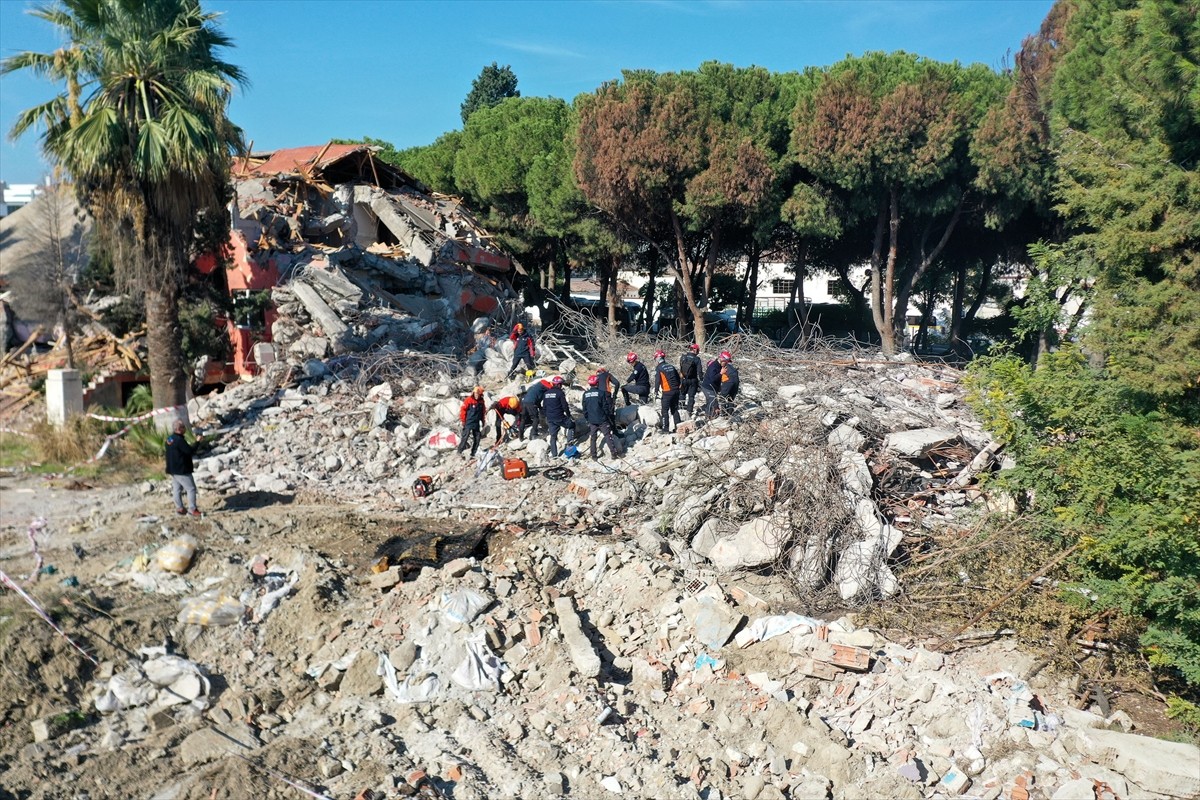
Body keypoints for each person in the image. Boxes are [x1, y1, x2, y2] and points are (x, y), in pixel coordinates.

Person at [165, 420, 202, 517]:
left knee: (177, 489)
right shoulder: (179, 440)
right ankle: (192, 510)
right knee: (191, 489)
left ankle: (180, 508)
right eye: (184, 427)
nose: (185, 429)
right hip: (182, 470)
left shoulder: (169, 439)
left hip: (173, 469)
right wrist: (197, 442)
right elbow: (190, 451)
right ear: (179, 429)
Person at [582, 374, 621, 460]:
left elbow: (584, 409)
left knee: (593, 438)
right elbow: (605, 407)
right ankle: (614, 454)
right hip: (602, 419)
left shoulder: (585, 394)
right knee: (607, 435)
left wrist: (588, 419)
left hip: (592, 420)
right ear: (597, 383)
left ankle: (594, 456)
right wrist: (608, 417)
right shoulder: (601, 393)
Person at [542, 376, 575, 458]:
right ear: (559, 385)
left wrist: (546, 416)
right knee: (572, 425)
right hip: (559, 417)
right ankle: (569, 444)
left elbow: (544, 406)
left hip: (550, 418)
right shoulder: (560, 393)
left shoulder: (546, 393)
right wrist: (569, 416)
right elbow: (565, 406)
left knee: (553, 436)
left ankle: (554, 455)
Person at [651, 349, 683, 433]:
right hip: (676, 390)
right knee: (674, 409)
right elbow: (678, 377)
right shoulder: (671, 366)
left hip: (667, 392)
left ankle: (665, 429)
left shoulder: (659, 368)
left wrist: (656, 391)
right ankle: (679, 427)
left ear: (658, 359)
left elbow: (657, 380)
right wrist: (679, 386)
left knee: (665, 411)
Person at [456, 386, 486, 457]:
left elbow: (483, 412)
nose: (476, 395)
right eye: (475, 394)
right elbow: (463, 410)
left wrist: (483, 420)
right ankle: (460, 451)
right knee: (465, 436)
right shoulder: (468, 400)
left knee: (477, 437)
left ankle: (473, 453)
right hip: (468, 422)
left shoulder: (482, 402)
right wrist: (463, 420)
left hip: (476, 422)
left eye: (478, 394)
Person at [700, 351, 728, 418]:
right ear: (722, 359)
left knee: (714, 402)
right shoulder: (713, 366)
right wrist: (721, 373)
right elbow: (713, 379)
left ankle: (713, 415)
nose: (726, 364)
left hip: (713, 387)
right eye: (726, 362)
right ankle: (708, 417)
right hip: (708, 387)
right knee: (711, 401)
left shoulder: (719, 365)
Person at [679, 343, 702, 414]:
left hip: (683, 379)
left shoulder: (683, 357)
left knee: (682, 394)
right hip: (693, 380)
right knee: (691, 396)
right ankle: (689, 411)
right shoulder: (697, 359)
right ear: (695, 350)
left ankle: (681, 408)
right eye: (697, 350)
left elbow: (681, 368)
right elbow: (699, 371)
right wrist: (701, 379)